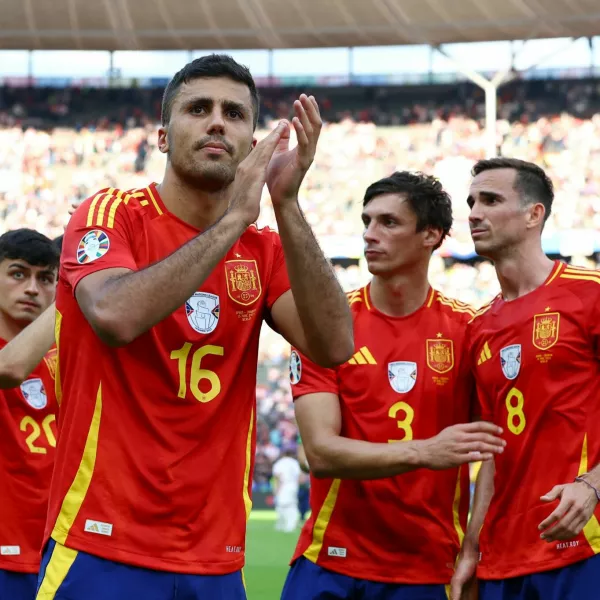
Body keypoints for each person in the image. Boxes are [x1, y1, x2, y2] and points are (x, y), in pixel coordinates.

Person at [35, 54, 353, 600]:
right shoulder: (112, 213)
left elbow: (335, 345)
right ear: (162, 136)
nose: (216, 122)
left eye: (234, 113)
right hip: (102, 542)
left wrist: (287, 203)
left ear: (253, 142)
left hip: (216, 556)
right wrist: (234, 219)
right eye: (198, 108)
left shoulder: (265, 249)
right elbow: (115, 315)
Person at [282, 172, 505, 600]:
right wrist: (424, 452)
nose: (370, 235)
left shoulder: (470, 330)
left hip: (430, 567)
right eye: (366, 221)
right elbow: (322, 452)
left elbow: (496, 449)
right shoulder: (327, 326)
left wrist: (474, 545)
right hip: (331, 562)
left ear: (431, 235)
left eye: (388, 222)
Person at [451, 157, 600, 600]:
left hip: (584, 545)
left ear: (534, 214)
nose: (474, 212)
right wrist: (472, 549)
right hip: (503, 559)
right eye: (471, 201)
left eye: (491, 200)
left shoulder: (588, 296)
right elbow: (492, 452)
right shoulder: (478, 329)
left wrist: (593, 484)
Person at [0, 229, 59, 600]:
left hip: (62, 551)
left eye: (47, 278)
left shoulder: (72, 357)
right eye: (18, 273)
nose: (33, 288)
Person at [273, 446, 302, 533]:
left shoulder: (279, 463)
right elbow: (300, 476)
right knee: (291, 504)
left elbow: (277, 476)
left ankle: (289, 525)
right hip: (293, 485)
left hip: (284, 485)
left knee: (284, 505)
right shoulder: (295, 462)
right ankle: (286, 524)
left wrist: (277, 488)